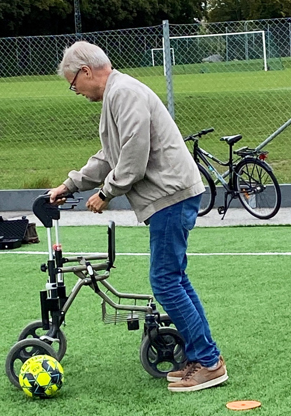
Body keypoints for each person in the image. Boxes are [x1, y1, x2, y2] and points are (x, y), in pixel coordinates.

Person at [48, 41, 228, 392]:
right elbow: (109, 156)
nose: (76, 91)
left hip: (170, 197)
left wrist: (105, 193)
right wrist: (70, 185)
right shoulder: (117, 95)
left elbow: (132, 158)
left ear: (86, 72)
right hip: (170, 196)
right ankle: (201, 356)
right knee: (174, 279)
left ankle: (209, 362)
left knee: (165, 281)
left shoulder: (124, 93)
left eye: (73, 84)